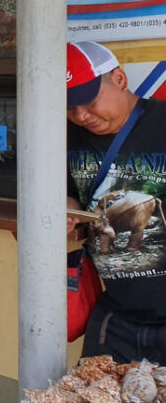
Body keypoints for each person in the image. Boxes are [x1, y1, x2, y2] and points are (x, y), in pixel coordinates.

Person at [66, 41, 166, 363]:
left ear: (120, 79)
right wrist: (64, 212)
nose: (81, 115)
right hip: (115, 315)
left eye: (89, 100)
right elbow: (65, 193)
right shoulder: (65, 136)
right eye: (69, 106)